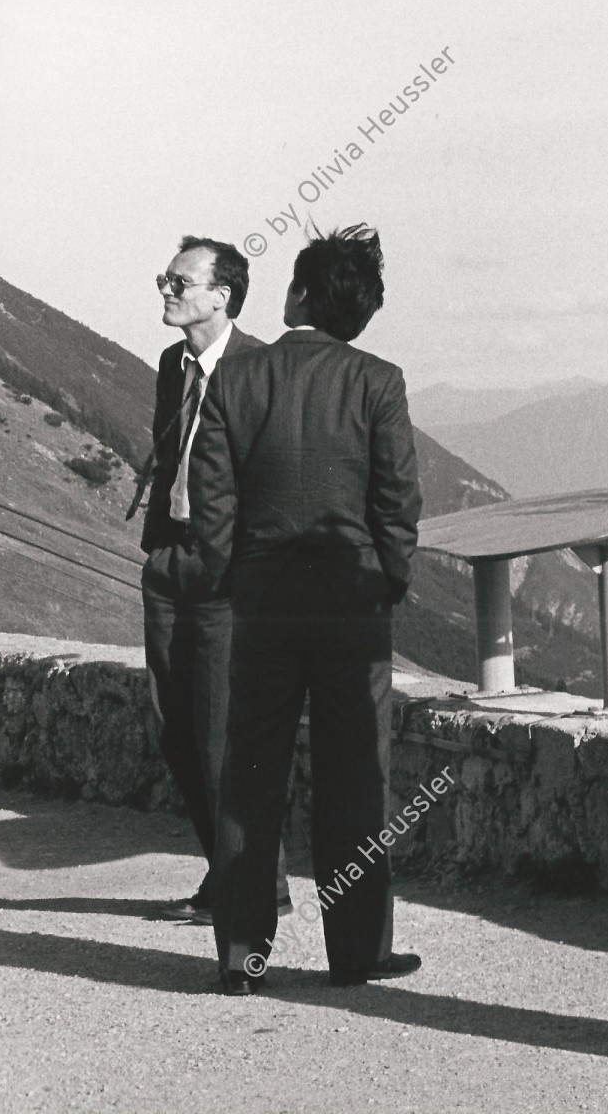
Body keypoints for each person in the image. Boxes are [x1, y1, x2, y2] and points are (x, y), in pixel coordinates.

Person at [188, 224, 422, 995]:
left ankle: (242, 955)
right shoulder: (378, 381)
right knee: (358, 776)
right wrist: (387, 579)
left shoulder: (237, 379)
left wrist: (232, 582)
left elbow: (213, 506)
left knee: (250, 775)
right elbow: (397, 503)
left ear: (295, 293)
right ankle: (357, 950)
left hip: (261, 601)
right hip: (351, 605)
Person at [131, 235, 290, 926]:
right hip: (170, 562)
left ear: (221, 294)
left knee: (221, 735)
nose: (167, 290)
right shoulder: (173, 364)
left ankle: (254, 881)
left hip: (227, 574)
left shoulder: (260, 368)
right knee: (175, 729)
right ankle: (230, 871)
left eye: (179, 281)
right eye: (164, 279)